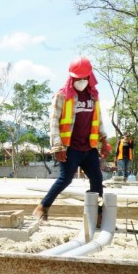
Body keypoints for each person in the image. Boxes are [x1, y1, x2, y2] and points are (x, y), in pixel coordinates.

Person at [33, 57, 109, 221]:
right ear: (71, 77)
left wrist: (104, 140)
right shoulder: (62, 95)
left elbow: (99, 119)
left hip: (89, 147)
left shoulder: (93, 96)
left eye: (84, 77)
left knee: (97, 179)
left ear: (89, 77)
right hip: (70, 148)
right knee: (65, 179)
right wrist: (58, 147)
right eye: (77, 78)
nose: (80, 81)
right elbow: (53, 123)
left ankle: (97, 215)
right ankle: (42, 207)